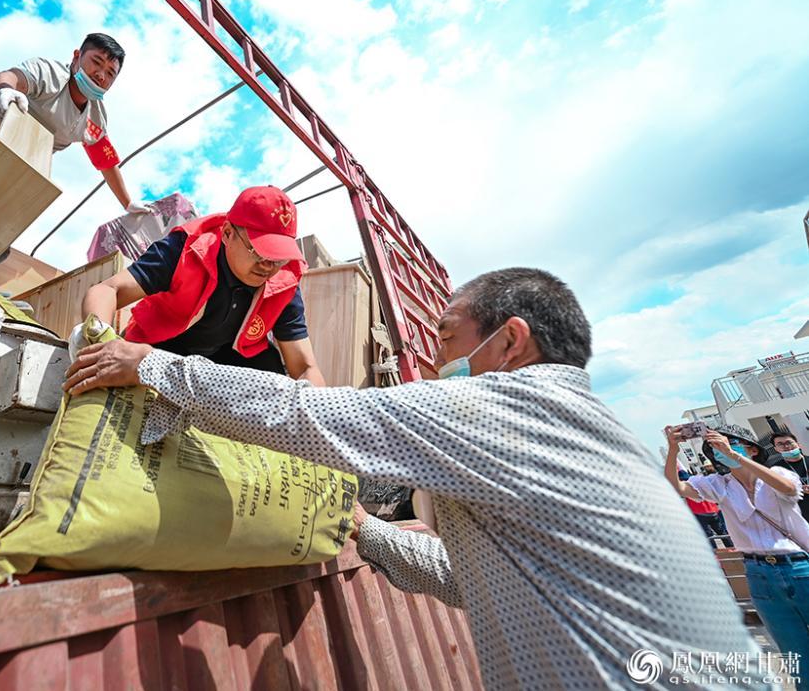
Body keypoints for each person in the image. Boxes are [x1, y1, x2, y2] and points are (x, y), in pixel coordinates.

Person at [64, 266, 764, 688]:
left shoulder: (511, 406)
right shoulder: (600, 433)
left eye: (448, 338)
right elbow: (475, 579)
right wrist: (367, 529)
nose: (433, 360)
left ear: (511, 340)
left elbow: (313, 416)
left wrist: (152, 365)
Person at [0, 32, 139, 288]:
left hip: (15, 163)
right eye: (96, 62)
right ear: (77, 57)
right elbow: (10, 77)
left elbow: (106, 162)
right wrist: (3, 92)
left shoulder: (95, 118)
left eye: (110, 73)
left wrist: (128, 202)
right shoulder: (50, 75)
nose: (101, 74)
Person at [78, 186, 325, 385]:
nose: (268, 266)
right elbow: (107, 290)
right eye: (259, 252)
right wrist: (102, 344)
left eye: (278, 257)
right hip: (163, 346)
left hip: (227, 361)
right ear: (228, 233)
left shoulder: (284, 281)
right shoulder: (186, 249)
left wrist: (314, 416)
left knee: (275, 381)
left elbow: (305, 367)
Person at [665, 424, 809, 677]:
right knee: (794, 651)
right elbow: (677, 487)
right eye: (714, 448)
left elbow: (788, 489)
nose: (719, 451)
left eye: (728, 444)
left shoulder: (776, 472)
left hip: (799, 566)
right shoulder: (717, 484)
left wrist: (735, 455)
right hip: (758, 573)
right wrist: (673, 449)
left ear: (752, 449)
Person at [677, 464, 734, 548]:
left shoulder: (686, 488)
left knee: (709, 536)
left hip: (699, 513)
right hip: (713, 511)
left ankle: (716, 553)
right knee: (722, 532)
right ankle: (731, 548)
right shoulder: (698, 482)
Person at [767, 428, 809, 523]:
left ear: (798, 444)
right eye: (780, 444)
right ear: (776, 449)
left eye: (789, 442)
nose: (786, 446)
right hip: (800, 519)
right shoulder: (775, 469)